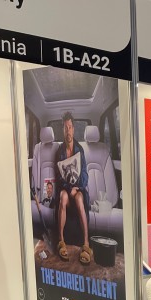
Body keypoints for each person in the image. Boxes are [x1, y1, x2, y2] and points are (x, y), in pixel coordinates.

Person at [55, 112, 93, 265]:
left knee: (79, 199)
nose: (68, 131)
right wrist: (68, 187)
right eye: (65, 128)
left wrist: (77, 188)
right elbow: (59, 177)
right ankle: (61, 241)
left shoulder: (79, 150)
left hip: (78, 190)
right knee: (63, 197)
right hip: (65, 189)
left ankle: (86, 244)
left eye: (70, 127)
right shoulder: (59, 151)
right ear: (63, 130)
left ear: (74, 129)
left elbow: (84, 174)